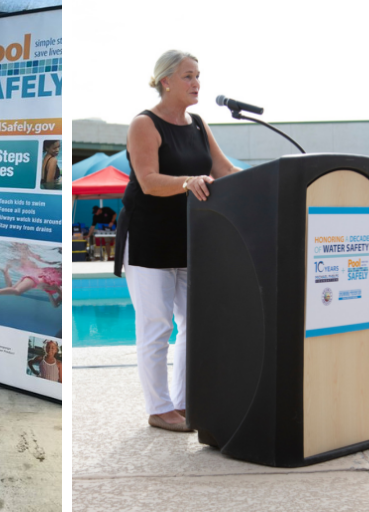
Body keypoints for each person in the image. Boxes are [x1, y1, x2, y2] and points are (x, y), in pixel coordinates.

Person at [112, 49, 242, 433]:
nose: (196, 82)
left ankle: (184, 403)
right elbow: (149, 180)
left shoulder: (198, 124)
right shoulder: (144, 124)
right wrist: (187, 182)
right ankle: (158, 407)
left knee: (196, 324)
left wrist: (271, 179)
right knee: (156, 326)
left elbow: (225, 171)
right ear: (165, 80)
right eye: (188, 76)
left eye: (198, 75)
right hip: (148, 238)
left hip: (191, 239)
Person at [0, 243, 62, 308]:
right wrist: (56, 289)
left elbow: (56, 305)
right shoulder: (55, 281)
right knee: (17, 291)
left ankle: (5, 273)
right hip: (35, 279)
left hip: (34, 278)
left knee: (13, 290)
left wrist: (50, 292)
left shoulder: (55, 284)